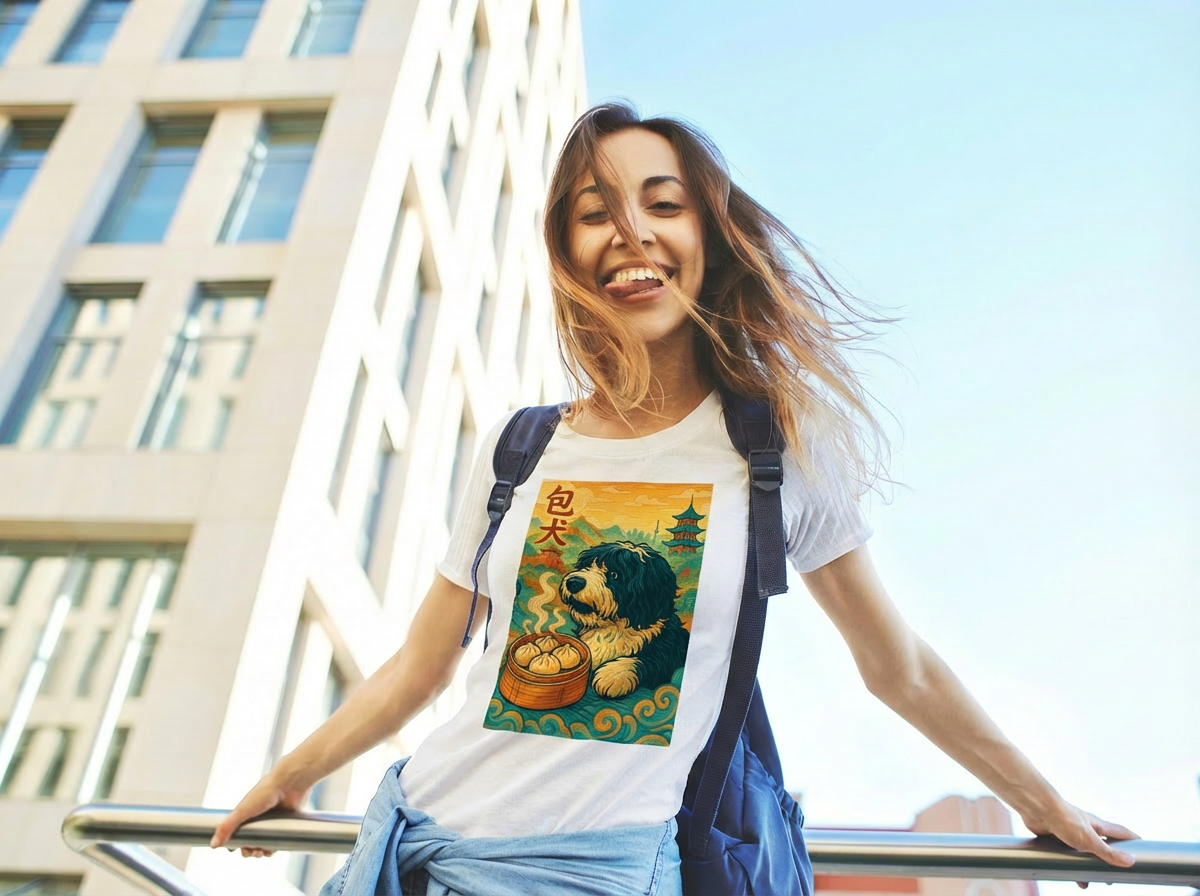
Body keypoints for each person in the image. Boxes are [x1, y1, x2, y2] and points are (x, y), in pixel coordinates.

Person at [211, 102, 1137, 895]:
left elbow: (898, 667)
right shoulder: (520, 445)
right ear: (568, 250)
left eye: (664, 204)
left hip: (601, 867)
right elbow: (422, 666)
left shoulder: (773, 451)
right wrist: (290, 776)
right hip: (414, 844)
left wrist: (1043, 804)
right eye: (594, 212)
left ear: (710, 238)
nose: (632, 233)